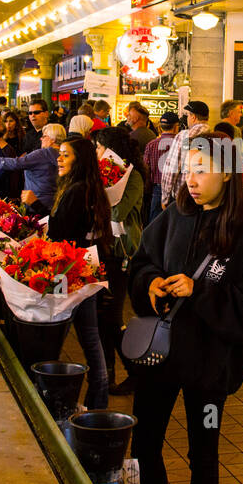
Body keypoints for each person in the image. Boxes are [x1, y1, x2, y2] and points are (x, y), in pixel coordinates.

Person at [128, 136, 243, 484]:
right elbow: (142, 261)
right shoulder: (175, 216)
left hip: (209, 364)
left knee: (203, 450)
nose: (191, 181)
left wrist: (201, 291)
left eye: (202, 170)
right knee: (145, 442)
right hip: (160, 356)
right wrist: (150, 283)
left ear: (226, 173)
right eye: (188, 170)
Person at [48, 135, 114, 408]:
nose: (59, 159)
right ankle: (98, 398)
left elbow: (61, 233)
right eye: (59, 153)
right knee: (90, 337)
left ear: (80, 159)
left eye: (65, 154)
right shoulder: (90, 188)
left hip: (68, 273)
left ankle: (50, 392)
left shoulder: (76, 190)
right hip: (85, 269)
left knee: (55, 336)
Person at [93, 127, 147, 396]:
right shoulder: (99, 176)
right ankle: (108, 374)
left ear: (112, 150)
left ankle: (137, 371)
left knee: (111, 316)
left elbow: (118, 211)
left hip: (121, 252)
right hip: (101, 249)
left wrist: (99, 194)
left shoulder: (133, 177)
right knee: (102, 317)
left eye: (100, 148)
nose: (97, 153)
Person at [0, 123, 65, 216]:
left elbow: (17, 163)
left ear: (52, 139)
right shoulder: (64, 156)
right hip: (54, 204)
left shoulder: (43, 154)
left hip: (35, 203)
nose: (41, 138)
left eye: (44, 136)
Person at [160, 100, 211, 208]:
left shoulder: (184, 136)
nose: (187, 119)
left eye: (188, 115)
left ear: (193, 117)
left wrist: (165, 197)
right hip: (205, 196)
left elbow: (171, 168)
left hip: (183, 195)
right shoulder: (214, 136)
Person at [144, 111, 179, 222]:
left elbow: (146, 169)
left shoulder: (151, 144)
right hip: (177, 189)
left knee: (154, 224)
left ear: (160, 127)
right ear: (176, 127)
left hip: (157, 189)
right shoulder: (181, 144)